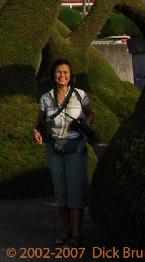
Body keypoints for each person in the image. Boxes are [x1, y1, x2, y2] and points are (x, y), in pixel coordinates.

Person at [32, 58, 94, 247]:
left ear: (71, 75)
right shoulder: (46, 98)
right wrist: (35, 131)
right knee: (61, 191)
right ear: (53, 75)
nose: (62, 76)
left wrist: (86, 123)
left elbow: (90, 113)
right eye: (59, 72)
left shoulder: (80, 95)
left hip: (75, 146)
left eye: (66, 73)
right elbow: (38, 122)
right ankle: (66, 231)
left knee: (75, 191)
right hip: (54, 147)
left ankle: (76, 234)